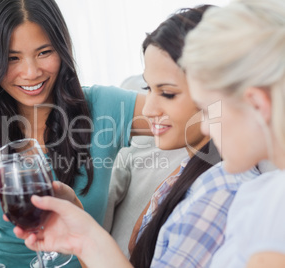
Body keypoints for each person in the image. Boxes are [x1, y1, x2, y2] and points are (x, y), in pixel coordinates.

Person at [13, 6, 261, 268]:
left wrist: (86, 236)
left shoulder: (219, 190)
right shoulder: (187, 174)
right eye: (148, 88)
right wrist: (80, 228)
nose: (149, 109)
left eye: (167, 93)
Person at [0, 0, 151, 267]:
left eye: (44, 52)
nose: (31, 72)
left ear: (62, 49)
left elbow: (190, 113)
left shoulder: (103, 107)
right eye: (12, 58)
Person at [180, 0, 285, 267]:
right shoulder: (260, 194)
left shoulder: (276, 207)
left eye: (207, 110)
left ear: (257, 105)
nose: (204, 127)